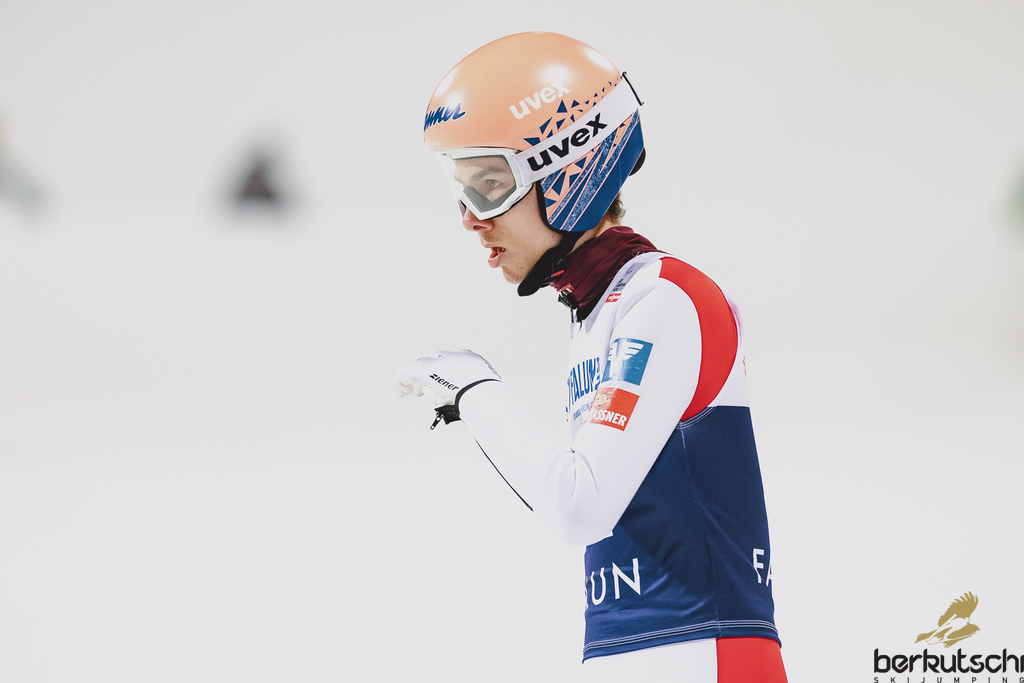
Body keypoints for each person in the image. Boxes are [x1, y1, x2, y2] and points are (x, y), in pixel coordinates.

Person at [396, 32, 788, 682]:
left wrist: (476, 390)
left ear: (568, 170)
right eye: (461, 190)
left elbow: (581, 504)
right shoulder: (599, 309)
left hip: (701, 648)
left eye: (489, 185)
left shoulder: (664, 297)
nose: (470, 217)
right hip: (636, 647)